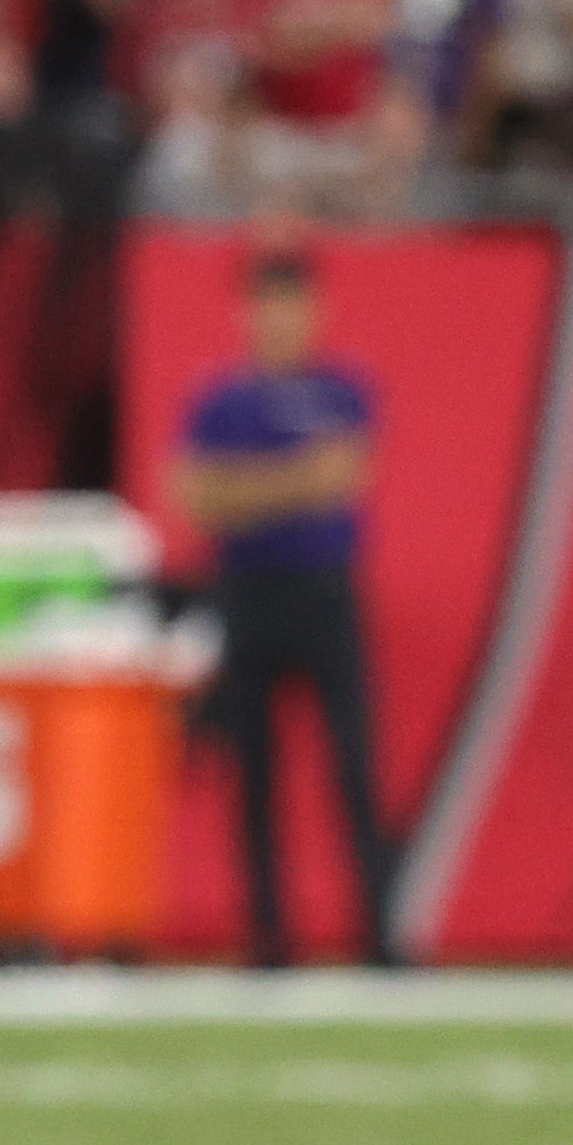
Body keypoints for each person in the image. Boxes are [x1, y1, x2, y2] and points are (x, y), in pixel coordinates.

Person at [174, 244, 402, 969]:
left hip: (323, 593)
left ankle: (378, 934)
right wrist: (291, 482)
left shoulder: (340, 389)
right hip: (246, 595)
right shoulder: (217, 400)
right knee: (253, 775)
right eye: (264, 305)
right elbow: (195, 500)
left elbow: (342, 477)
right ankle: (266, 937)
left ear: (313, 312)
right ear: (245, 314)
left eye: (290, 305)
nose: (277, 320)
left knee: (354, 771)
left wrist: (246, 489)